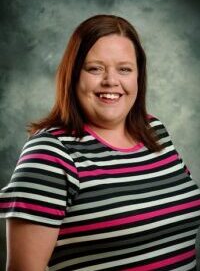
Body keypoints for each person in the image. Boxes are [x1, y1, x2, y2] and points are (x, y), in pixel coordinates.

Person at [0, 14, 200, 271]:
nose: (111, 81)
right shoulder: (49, 154)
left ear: (138, 76)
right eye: (95, 68)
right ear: (73, 75)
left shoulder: (155, 132)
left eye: (124, 69)